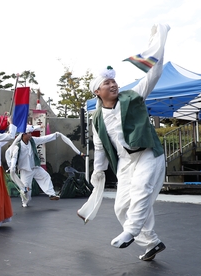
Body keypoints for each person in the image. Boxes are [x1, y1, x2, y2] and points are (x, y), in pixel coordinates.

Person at [82, 23, 169, 261]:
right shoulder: (97, 117)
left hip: (148, 153)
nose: (113, 84)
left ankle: (131, 231)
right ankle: (151, 242)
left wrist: (158, 42)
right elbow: (100, 146)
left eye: (113, 81)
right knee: (121, 206)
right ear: (97, 91)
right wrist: (98, 171)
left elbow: (154, 73)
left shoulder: (133, 96)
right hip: (125, 161)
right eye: (106, 83)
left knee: (141, 190)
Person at [7, 125, 84, 207]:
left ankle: (52, 194)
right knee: (26, 190)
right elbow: (14, 158)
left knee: (45, 176)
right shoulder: (17, 146)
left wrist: (55, 135)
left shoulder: (33, 141)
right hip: (25, 170)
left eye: (30, 133)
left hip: (35, 167)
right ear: (23, 134)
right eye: (29, 133)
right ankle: (25, 202)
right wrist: (12, 167)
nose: (30, 135)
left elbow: (44, 139)